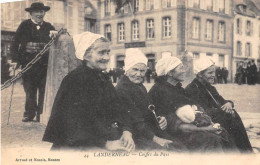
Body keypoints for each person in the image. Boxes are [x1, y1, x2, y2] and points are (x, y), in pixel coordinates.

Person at [43, 32, 135, 151]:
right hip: (76, 145)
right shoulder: (75, 79)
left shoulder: (102, 78)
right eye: (101, 52)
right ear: (86, 55)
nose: (107, 57)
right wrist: (105, 144)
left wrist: (127, 131)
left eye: (108, 52)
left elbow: (119, 108)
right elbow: (73, 124)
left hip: (98, 139)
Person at [149, 56, 236, 152]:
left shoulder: (177, 88)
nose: (184, 71)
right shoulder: (160, 91)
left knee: (222, 133)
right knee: (213, 139)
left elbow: (196, 110)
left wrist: (210, 124)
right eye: (181, 68)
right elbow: (175, 125)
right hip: (174, 134)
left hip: (188, 129)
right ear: (170, 72)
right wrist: (207, 128)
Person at [115, 49, 185, 151]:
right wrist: (156, 139)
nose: (139, 74)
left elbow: (148, 109)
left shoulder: (139, 86)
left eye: (142, 71)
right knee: (174, 150)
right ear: (127, 70)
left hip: (147, 131)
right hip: (136, 135)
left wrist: (161, 118)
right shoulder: (123, 89)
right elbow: (136, 121)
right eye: (135, 69)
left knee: (179, 145)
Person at [185, 56, 253, 153]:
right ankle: (239, 150)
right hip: (204, 121)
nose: (214, 75)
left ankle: (244, 149)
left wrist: (229, 103)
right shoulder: (192, 89)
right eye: (210, 73)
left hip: (216, 116)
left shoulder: (209, 87)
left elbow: (222, 100)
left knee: (233, 114)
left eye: (214, 72)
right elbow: (200, 112)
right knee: (230, 117)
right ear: (200, 74)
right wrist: (223, 111)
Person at [10, 2, 58, 122]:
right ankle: (29, 113)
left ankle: (40, 114)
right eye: (37, 11)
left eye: (42, 11)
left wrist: (55, 34)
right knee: (30, 90)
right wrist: (15, 60)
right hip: (28, 64)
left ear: (44, 13)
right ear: (31, 13)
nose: (39, 14)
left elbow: (56, 40)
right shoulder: (24, 25)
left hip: (44, 65)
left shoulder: (48, 26)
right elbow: (15, 43)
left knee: (43, 90)